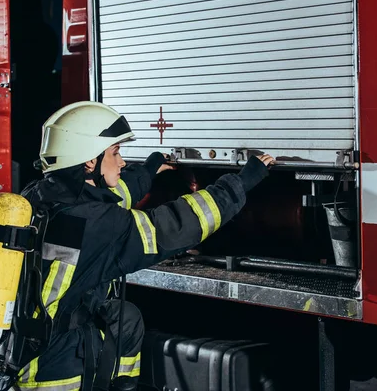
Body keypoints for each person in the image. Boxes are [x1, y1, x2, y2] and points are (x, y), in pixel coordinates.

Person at [17, 101, 275, 391]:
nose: (122, 161)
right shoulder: (96, 223)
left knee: (124, 318)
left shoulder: (44, 197)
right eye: (115, 152)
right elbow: (174, 226)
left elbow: (111, 197)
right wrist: (240, 184)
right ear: (90, 161)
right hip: (54, 376)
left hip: (30, 350)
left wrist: (149, 170)